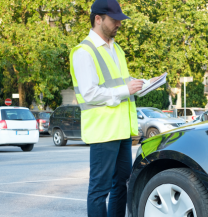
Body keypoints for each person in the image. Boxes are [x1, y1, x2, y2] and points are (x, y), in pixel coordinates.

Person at [69, 0, 160, 216]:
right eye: (114, 20)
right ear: (98, 19)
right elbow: (90, 93)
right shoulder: (83, 52)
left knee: (121, 185)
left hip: (121, 130)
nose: (119, 24)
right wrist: (125, 89)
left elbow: (123, 84)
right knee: (99, 190)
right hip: (102, 132)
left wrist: (148, 84)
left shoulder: (116, 48)